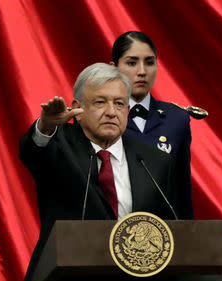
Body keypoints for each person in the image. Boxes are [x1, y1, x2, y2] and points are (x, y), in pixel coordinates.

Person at [19, 63, 186, 281]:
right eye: (100, 102)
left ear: (127, 111)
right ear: (77, 109)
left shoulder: (154, 160)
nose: (111, 112)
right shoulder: (58, 144)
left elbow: (168, 229)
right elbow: (33, 151)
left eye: (119, 104)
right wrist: (46, 126)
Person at [111, 31, 194, 219]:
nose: (142, 71)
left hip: (165, 235)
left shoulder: (177, 119)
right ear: (113, 68)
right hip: (113, 233)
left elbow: (182, 190)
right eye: (132, 63)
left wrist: (189, 238)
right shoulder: (102, 117)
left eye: (149, 62)